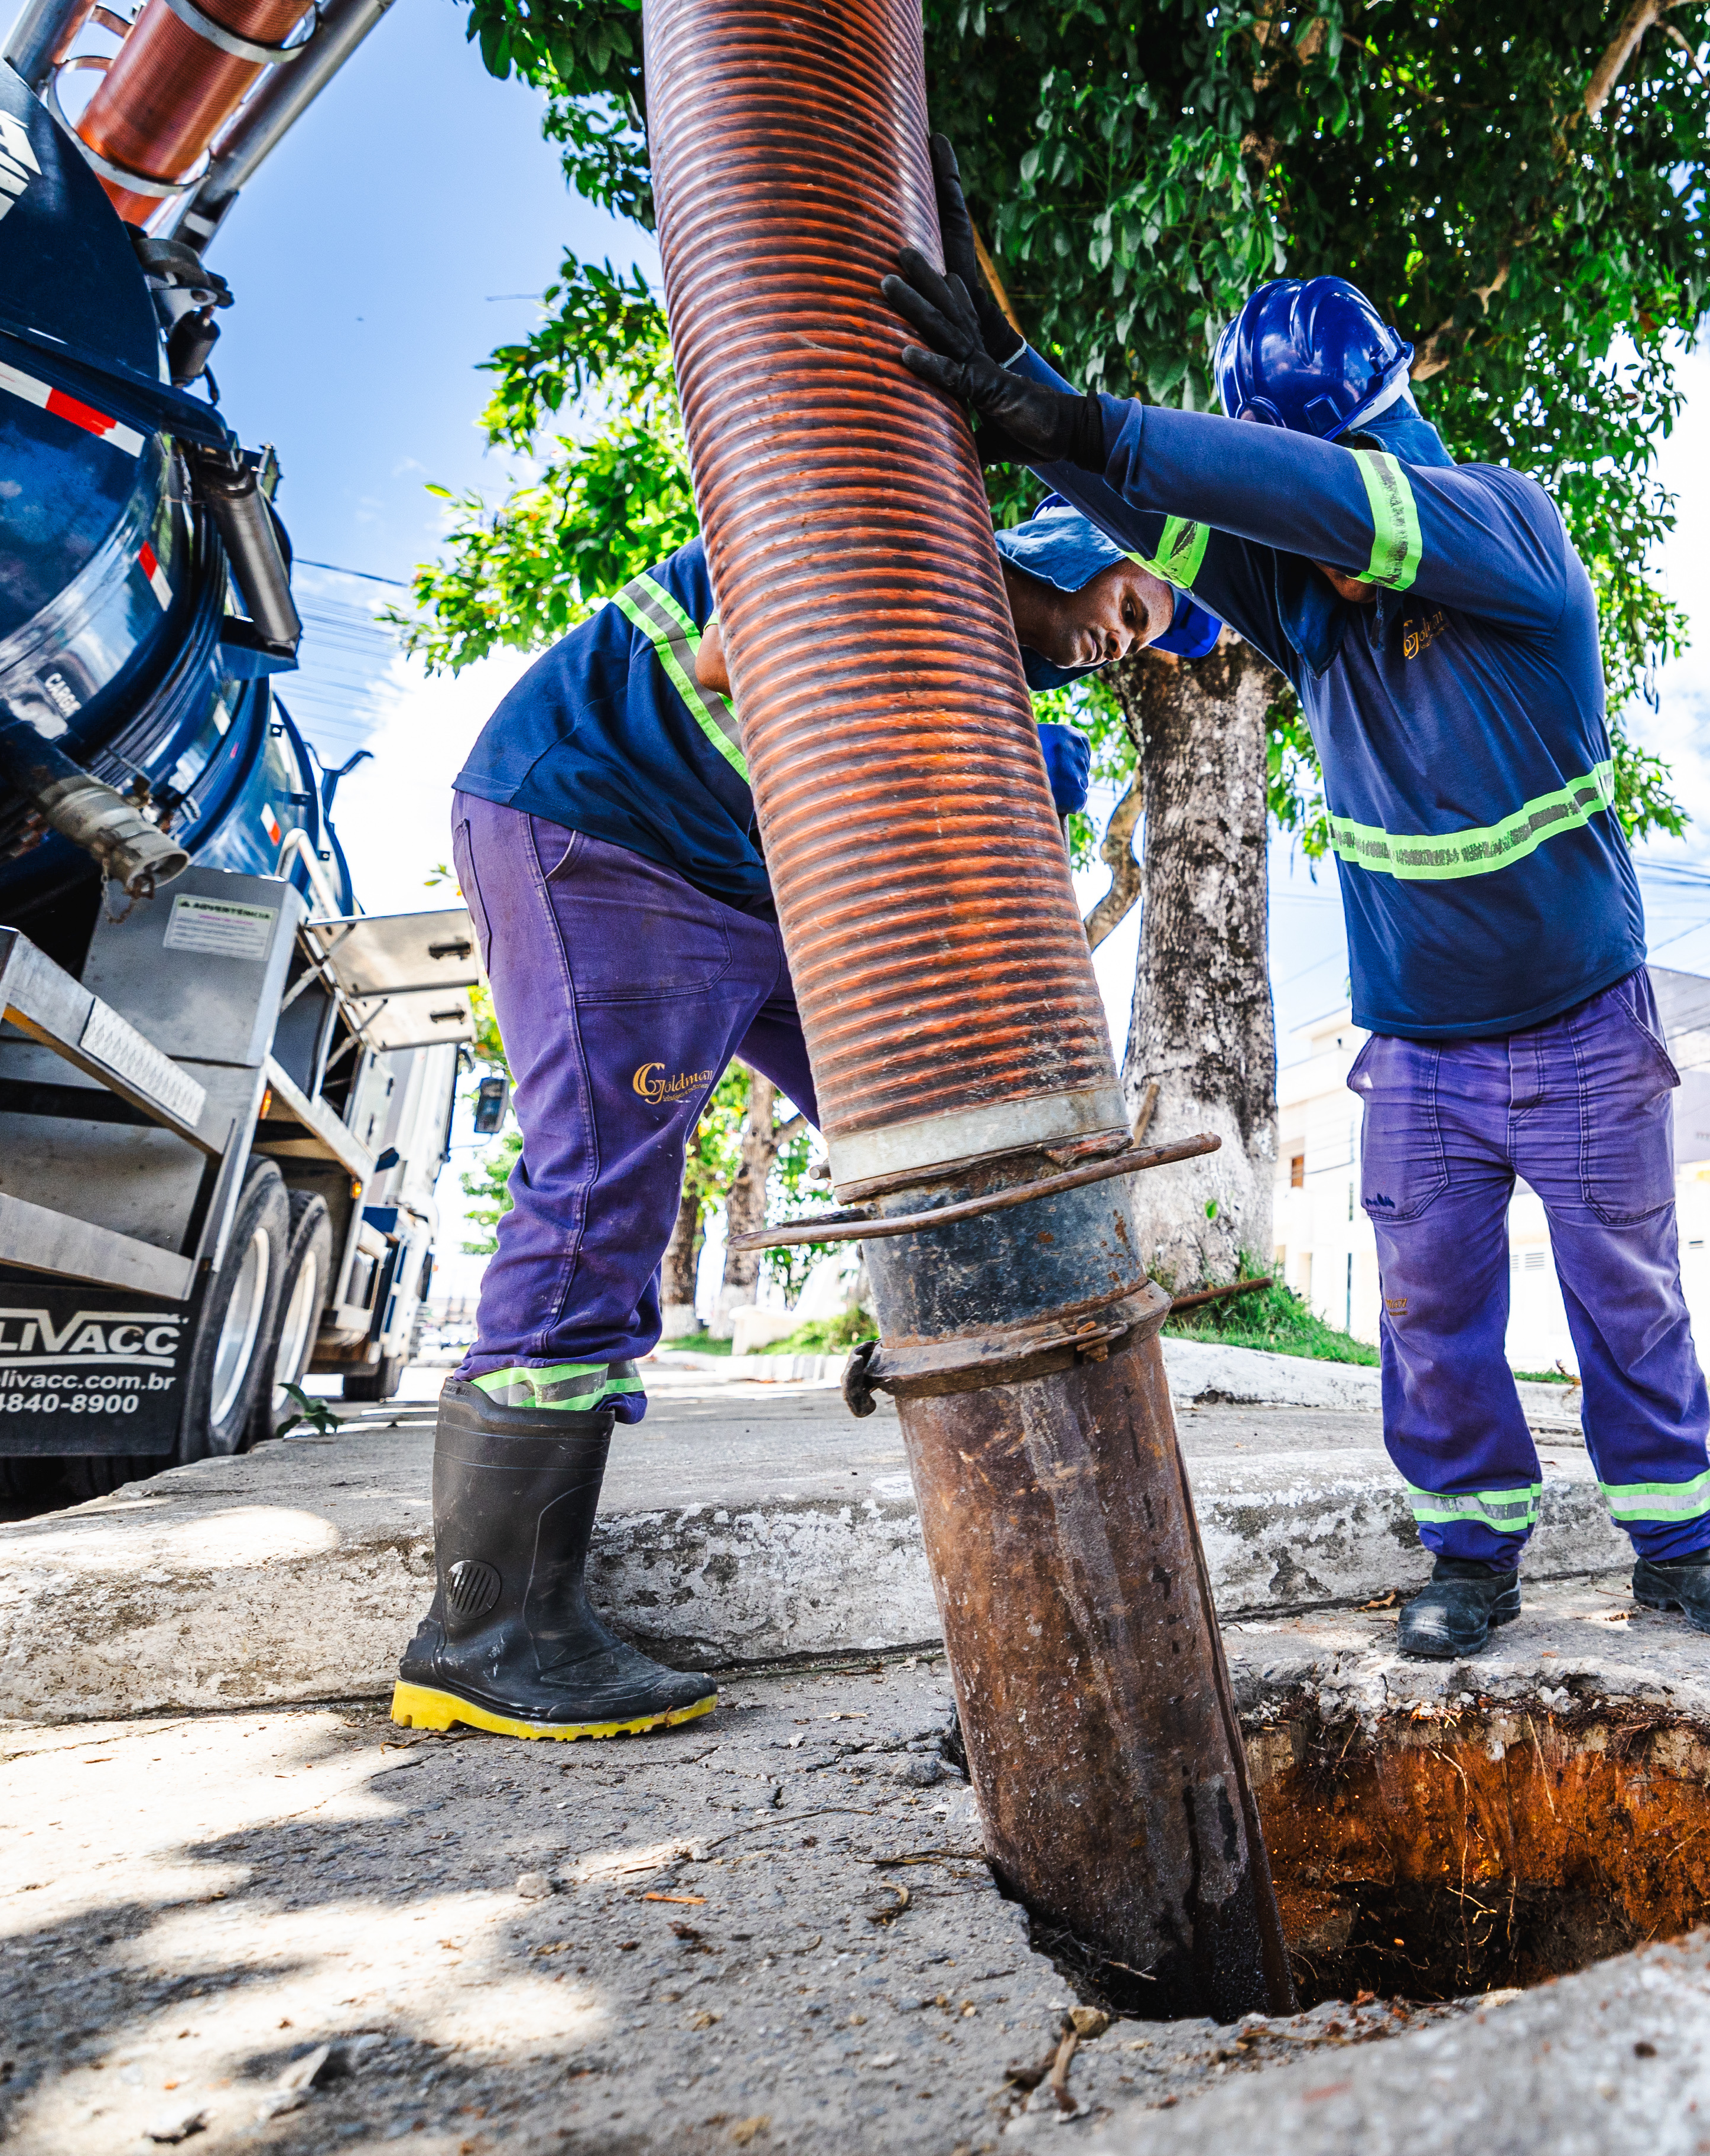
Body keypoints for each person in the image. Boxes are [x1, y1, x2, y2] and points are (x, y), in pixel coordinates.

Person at [880, 160, 1710, 1661]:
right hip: (1420, 1051)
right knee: (1431, 1319)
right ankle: (1472, 1561)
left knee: (1629, 1300)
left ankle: (1680, 1552)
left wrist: (1091, 419)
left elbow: (1304, 494)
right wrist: (1019, 387)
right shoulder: (1305, 597)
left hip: (1582, 1028)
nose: (1317, 557)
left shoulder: (1506, 533)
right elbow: (1155, 504)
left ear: (1389, 441)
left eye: (1332, 485)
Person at [393, 514, 1210, 1742]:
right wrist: (976, 746)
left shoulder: (996, 681)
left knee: (937, 1143)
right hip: (605, 830)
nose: (1120, 647)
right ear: (1062, 547)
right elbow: (740, 651)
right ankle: (487, 1629)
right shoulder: (890, 508)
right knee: (603, 1185)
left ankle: (1032, 1537)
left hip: (748, 873)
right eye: (1134, 610)